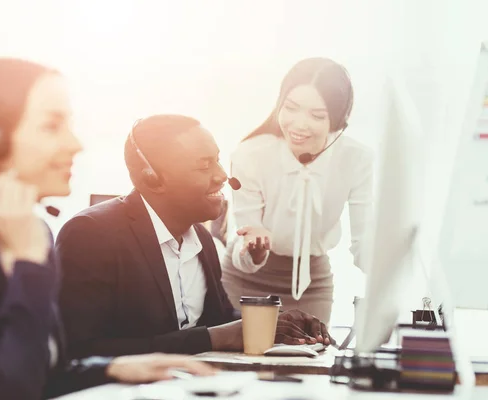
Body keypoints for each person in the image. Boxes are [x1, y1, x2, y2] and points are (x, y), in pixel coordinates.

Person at [0, 59, 214, 400]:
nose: (75, 144)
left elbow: (37, 369)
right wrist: (27, 265)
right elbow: (6, 390)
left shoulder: (34, 232)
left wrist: (111, 368)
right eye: (51, 126)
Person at [55, 114, 332, 360]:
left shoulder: (200, 237)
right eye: (204, 166)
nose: (222, 175)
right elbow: (80, 351)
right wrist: (215, 338)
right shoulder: (90, 235)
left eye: (218, 160)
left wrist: (277, 324)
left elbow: (219, 320)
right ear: (152, 177)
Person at [221, 57, 374, 324]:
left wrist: (391, 265)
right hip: (246, 282)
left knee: (311, 358)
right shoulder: (250, 154)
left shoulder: (356, 159)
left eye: (317, 115)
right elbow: (244, 247)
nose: (299, 124)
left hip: (311, 284)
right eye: (290, 108)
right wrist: (254, 249)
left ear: (338, 119)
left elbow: (364, 248)